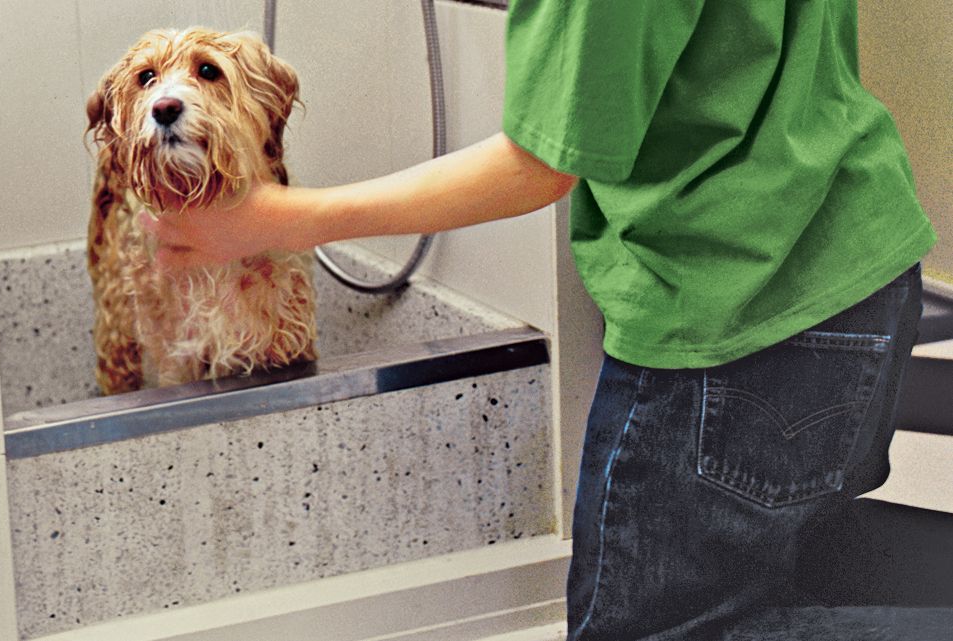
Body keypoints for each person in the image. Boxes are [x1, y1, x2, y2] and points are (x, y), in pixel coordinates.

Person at [143, 1, 950, 639]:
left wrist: (274, 219)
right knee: (790, 571)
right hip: (859, 264)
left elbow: (538, 166)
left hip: (735, 313)